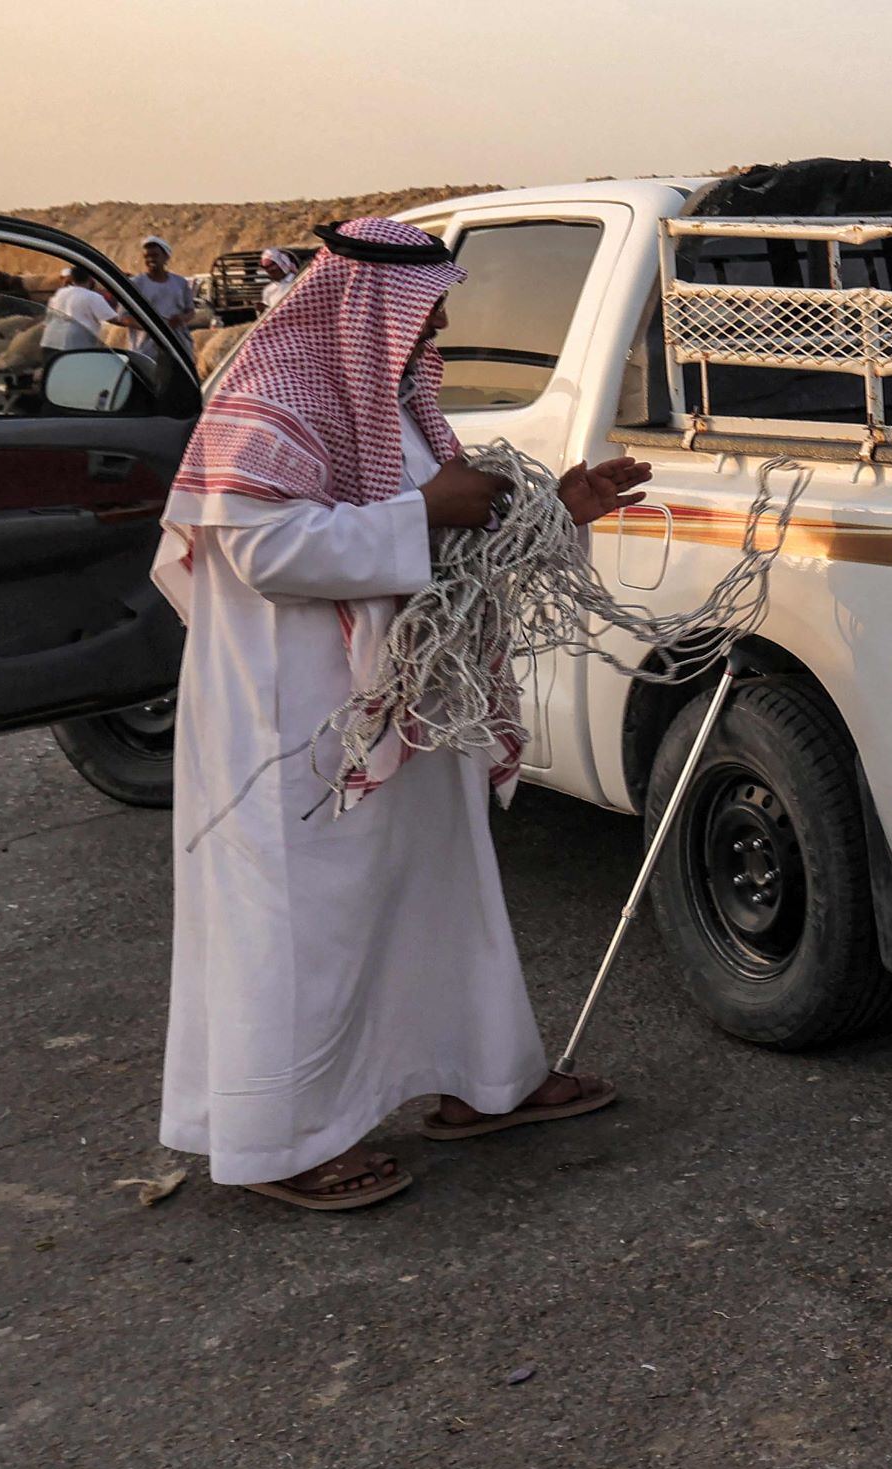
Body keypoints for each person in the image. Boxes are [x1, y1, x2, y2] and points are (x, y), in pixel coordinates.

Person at [152, 217, 655, 1211]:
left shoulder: (402, 411)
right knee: (304, 920)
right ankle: (280, 1143)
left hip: (408, 695)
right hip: (290, 712)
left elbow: (459, 526)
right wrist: (424, 514)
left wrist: (559, 505)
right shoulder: (268, 403)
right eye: (428, 312)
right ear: (361, 308)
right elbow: (267, 551)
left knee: (442, 885)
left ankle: (487, 1084)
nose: (438, 331)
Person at [130, 234, 196, 360]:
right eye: (147, 256)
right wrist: (152, 326)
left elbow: (191, 311)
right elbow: (124, 318)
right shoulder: (136, 284)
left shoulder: (180, 283)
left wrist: (180, 319)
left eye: (155, 256)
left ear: (166, 257)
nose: (150, 260)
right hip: (146, 350)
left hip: (179, 347)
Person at [40, 265, 117, 354]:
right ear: (90, 278)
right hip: (75, 346)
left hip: (51, 341)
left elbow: (48, 320)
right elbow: (113, 319)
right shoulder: (93, 297)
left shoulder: (60, 293)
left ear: (71, 278)